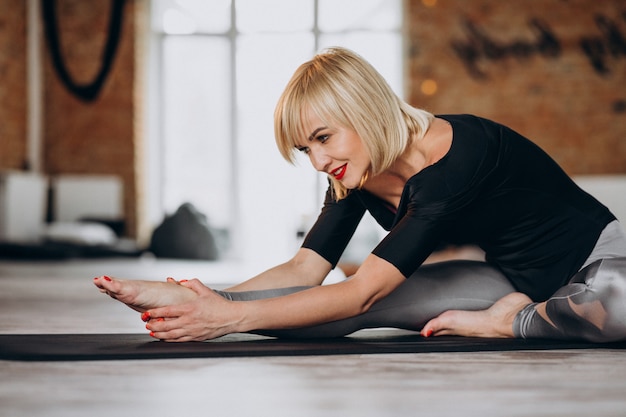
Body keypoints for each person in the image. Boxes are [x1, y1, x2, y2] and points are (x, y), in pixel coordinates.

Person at [94, 47, 626, 343]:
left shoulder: (457, 158)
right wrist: (207, 299)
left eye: (323, 138)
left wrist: (230, 319)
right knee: (324, 314)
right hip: (507, 276)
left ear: (366, 110)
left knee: (617, 311)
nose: (320, 162)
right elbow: (305, 271)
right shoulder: (354, 171)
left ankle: (512, 321)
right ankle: (529, 312)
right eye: (306, 149)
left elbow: (362, 289)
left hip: (597, 256)